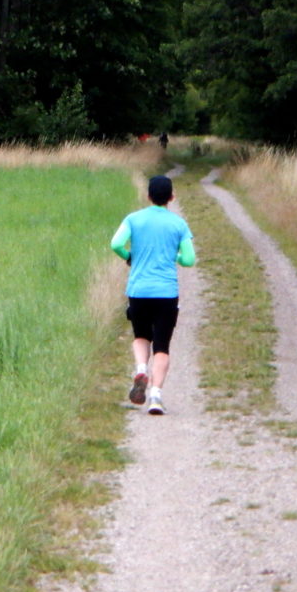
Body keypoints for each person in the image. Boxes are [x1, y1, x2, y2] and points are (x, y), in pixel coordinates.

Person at [110, 174, 195, 415]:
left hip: (138, 290)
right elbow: (189, 260)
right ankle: (156, 397)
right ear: (171, 197)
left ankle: (140, 369)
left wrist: (130, 257)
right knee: (162, 346)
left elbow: (116, 243)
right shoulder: (179, 224)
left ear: (148, 196)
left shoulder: (133, 219)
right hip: (166, 293)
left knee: (141, 335)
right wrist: (174, 256)